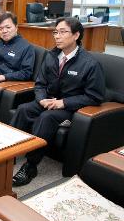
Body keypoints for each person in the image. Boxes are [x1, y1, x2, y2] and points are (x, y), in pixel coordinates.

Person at [11, 17, 105, 186]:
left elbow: (95, 96)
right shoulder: (51, 55)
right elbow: (40, 84)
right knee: (23, 109)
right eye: (56, 32)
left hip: (71, 108)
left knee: (46, 118)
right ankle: (8, 154)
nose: (57, 36)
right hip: (47, 101)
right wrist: (41, 100)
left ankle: (30, 166)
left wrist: (64, 103)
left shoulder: (89, 63)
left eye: (63, 32)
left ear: (76, 35)